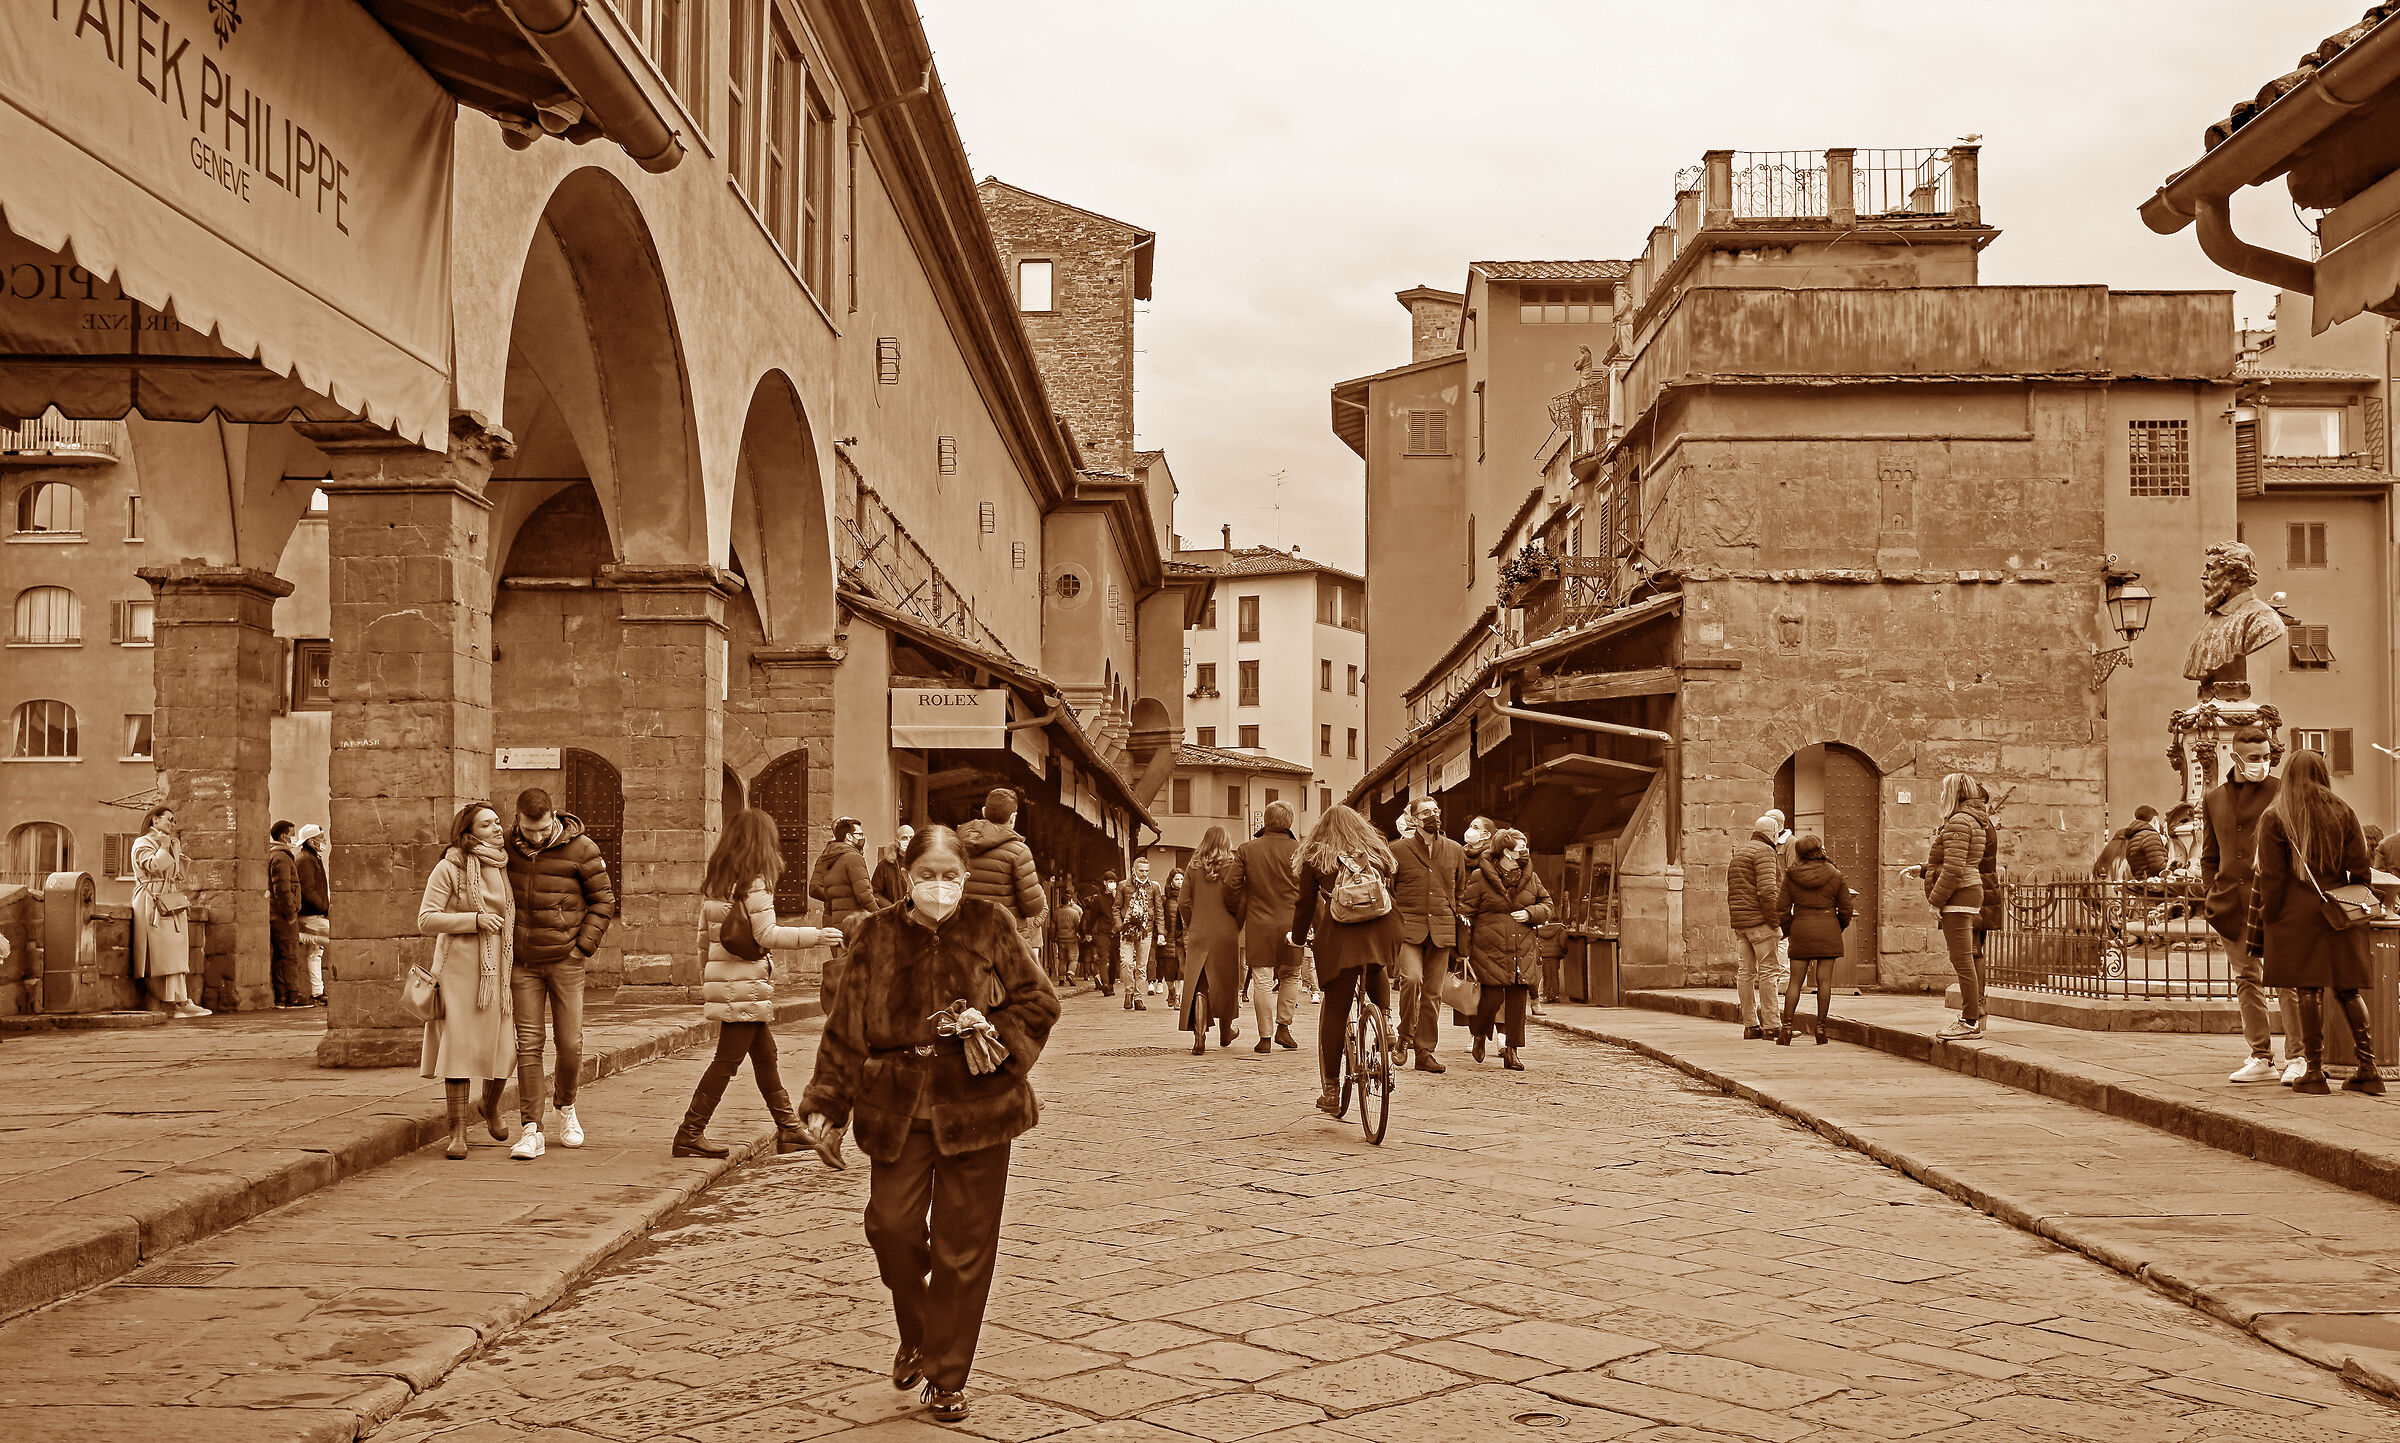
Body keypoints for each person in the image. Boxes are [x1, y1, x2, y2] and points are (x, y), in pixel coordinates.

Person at [799, 825, 1061, 1424]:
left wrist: (994, 1032)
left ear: (964, 877)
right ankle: (917, 1329)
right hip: (897, 1106)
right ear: (905, 874)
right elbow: (845, 1027)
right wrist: (827, 1102)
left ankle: (946, 1375)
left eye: (949, 876)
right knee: (891, 1229)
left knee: (963, 1248)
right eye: (927, 876)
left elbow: (1039, 1002)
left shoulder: (992, 923)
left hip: (978, 1106)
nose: (939, 887)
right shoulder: (875, 934)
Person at [677, 810, 843, 1157]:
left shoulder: (718, 882)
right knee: (726, 1062)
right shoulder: (755, 884)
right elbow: (767, 934)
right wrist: (817, 935)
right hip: (745, 986)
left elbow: (702, 942)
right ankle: (690, 1132)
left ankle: (789, 1129)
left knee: (766, 1056)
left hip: (729, 984)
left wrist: (708, 979)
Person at [2249, 750, 2382, 1097]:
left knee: (2308, 989)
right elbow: (2361, 870)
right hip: (2340, 912)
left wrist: (2270, 916)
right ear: (2323, 773)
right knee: (2347, 989)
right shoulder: (2344, 811)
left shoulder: (2277, 817)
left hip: (2296, 915)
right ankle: (2368, 1069)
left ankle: (2313, 1071)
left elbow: (2272, 879)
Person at [504, 788, 617, 1160]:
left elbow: (604, 899)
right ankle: (531, 1129)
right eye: (527, 829)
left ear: (554, 816)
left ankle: (565, 1106)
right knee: (529, 1045)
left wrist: (583, 946)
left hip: (566, 960)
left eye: (540, 829)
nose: (534, 837)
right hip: (523, 962)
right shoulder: (506, 846)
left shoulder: (582, 848)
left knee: (570, 1044)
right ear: (517, 817)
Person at [417, 804, 520, 1160]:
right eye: (486, 824)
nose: (496, 828)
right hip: (459, 972)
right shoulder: (451, 866)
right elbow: (426, 920)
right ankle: (457, 1131)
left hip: (500, 973)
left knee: (504, 1048)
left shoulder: (506, 865)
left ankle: (490, 1107)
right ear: (470, 831)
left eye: (497, 822)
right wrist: (474, 919)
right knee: (459, 1050)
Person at [1289, 805, 1401, 1116]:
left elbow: (1304, 904)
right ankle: (1387, 1021)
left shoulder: (1317, 857)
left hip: (1340, 936)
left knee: (1336, 1010)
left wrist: (1297, 938)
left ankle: (1331, 1090)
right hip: (1382, 927)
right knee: (1376, 962)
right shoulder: (1377, 851)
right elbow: (1393, 886)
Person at [2205, 728, 2287, 1084]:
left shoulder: (2282, 791)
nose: (2262, 764)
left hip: (2274, 901)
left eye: (2267, 756)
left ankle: (2298, 1057)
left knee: (2288, 980)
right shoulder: (2214, 799)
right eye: (2254, 758)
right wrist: (2212, 892)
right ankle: (2261, 1056)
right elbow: (2210, 855)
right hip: (2231, 905)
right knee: (2246, 979)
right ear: (2234, 757)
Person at [1388, 797, 1467, 1075]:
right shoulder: (1397, 849)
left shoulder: (1455, 850)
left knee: (1433, 993)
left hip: (1442, 929)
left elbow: (1460, 891)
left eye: (1435, 811)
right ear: (1413, 819)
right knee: (1411, 979)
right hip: (1409, 928)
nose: (1433, 816)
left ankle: (1425, 1052)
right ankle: (1404, 1035)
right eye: (1425, 812)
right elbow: (1390, 891)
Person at [1460, 828, 1550, 1070]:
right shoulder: (1480, 877)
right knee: (1492, 997)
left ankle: (1512, 1051)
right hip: (1491, 947)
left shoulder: (1530, 876)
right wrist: (1464, 947)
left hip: (1522, 945)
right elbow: (1466, 910)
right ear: (1507, 852)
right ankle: (1479, 1033)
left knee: (1518, 999)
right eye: (1521, 847)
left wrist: (1531, 913)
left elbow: (1547, 904)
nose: (1525, 851)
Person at [1924, 774, 1991, 1041]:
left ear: (1952, 793)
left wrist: (1935, 901)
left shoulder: (1958, 822)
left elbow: (1953, 869)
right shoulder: (1972, 821)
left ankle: (1969, 1021)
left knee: (1962, 961)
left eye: (1943, 791)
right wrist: (1923, 871)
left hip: (1959, 894)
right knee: (1965, 960)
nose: (1940, 796)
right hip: (1969, 891)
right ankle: (1970, 1018)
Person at [1236, 803, 1305, 1051]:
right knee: (1291, 975)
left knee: (1262, 980)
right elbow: (1310, 891)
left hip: (1259, 924)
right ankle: (1283, 1028)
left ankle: (1264, 1037)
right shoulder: (1300, 851)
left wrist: (1238, 914)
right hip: (1292, 923)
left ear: (1265, 821)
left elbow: (1233, 886)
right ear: (1290, 822)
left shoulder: (1247, 849)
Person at [1776, 833, 1853, 1045]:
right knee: (1824, 981)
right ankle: (1821, 1029)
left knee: (1795, 981)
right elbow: (1846, 908)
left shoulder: (1791, 875)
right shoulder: (1835, 874)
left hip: (1801, 928)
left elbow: (1781, 908)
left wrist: (1790, 928)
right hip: (1828, 928)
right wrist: (1838, 926)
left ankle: (1787, 1029)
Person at [130, 804, 206, 1017]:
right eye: (169, 819)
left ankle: (180, 999)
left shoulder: (169, 842)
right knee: (163, 952)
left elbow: (174, 873)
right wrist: (164, 848)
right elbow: (152, 867)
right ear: (155, 820)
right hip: (153, 900)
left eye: (173, 820)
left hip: (170, 899)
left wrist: (175, 853)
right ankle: (172, 1002)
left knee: (176, 950)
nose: (172, 824)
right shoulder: (142, 842)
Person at [958, 789, 1047, 967]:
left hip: (965, 936)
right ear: (1013, 817)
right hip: (1007, 940)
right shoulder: (1019, 851)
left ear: (984, 812)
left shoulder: (957, 845)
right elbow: (1032, 906)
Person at [1179, 829, 1245, 1055]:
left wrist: (1192, 923)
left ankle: (1199, 1035)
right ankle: (1226, 1031)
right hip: (1227, 931)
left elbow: (1183, 903)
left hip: (1199, 929)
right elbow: (1239, 898)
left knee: (1199, 981)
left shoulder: (1192, 867)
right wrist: (1237, 922)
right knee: (1226, 981)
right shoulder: (1233, 866)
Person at [1727, 811, 1790, 1040]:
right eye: (1777, 833)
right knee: (1769, 971)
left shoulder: (1741, 852)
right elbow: (1767, 890)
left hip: (1742, 923)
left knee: (1745, 973)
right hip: (1761, 922)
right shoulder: (1765, 852)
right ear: (1772, 833)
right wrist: (1776, 921)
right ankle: (1772, 1025)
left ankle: (1750, 1025)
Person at [811, 817, 877, 935]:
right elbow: (864, 894)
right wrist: (879, 916)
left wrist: (837, 898)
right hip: (852, 920)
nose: (862, 838)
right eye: (859, 834)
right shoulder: (852, 857)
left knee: (840, 952)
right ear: (848, 836)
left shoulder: (827, 856)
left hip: (833, 919)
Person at [1113, 856, 1164, 1009]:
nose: (1144, 874)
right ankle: (1128, 991)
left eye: (1147, 871)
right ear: (1134, 870)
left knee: (1141, 966)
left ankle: (1138, 997)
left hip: (1146, 930)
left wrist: (1161, 931)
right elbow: (1116, 908)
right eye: (1141, 870)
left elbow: (1159, 910)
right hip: (1127, 930)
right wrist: (1120, 925)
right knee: (1127, 962)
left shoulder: (1154, 887)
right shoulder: (1123, 885)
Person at [268, 819, 308, 1008]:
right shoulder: (281, 857)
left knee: (282, 955)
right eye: (292, 834)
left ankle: (283, 997)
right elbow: (282, 887)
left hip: (278, 913)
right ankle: (292, 996)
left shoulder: (279, 855)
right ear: (284, 836)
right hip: (283, 915)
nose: (293, 838)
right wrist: (291, 912)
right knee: (289, 955)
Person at [297, 824, 331, 1005]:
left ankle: (317, 992)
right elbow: (308, 890)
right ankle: (300, 937)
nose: (324, 841)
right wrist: (325, 908)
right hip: (311, 914)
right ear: (311, 841)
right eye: (321, 837)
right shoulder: (305, 860)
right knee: (331, 939)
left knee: (315, 954)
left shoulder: (310, 858)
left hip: (315, 913)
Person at [1155, 865, 1186, 1011]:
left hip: (1182, 939)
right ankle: (1172, 991)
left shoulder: (1188, 897)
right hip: (1167, 939)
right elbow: (1159, 917)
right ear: (1171, 881)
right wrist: (1161, 933)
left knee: (1181, 970)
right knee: (1168, 972)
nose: (1180, 881)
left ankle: (1178, 997)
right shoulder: (1164, 899)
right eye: (1177, 879)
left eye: (1182, 879)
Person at [1085, 878, 1119, 996]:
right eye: (1110, 881)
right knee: (1104, 958)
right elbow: (1093, 916)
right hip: (1103, 932)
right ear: (1105, 883)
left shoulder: (1118, 896)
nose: (1112, 884)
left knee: (1114, 960)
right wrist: (1088, 931)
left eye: (1114, 881)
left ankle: (1110, 984)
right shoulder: (1099, 899)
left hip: (1117, 932)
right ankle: (1106, 983)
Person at [872, 823, 915, 910]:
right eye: (904, 838)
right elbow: (875, 892)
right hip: (894, 917)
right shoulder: (884, 865)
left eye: (911, 837)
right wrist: (893, 909)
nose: (909, 840)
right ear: (897, 842)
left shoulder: (921, 863)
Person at [1049, 882, 1083, 987]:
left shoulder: (1056, 912)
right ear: (1069, 902)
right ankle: (1070, 973)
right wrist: (1081, 935)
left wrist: (1052, 938)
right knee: (1073, 958)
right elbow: (1078, 927)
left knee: (1062, 959)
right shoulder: (1075, 913)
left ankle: (1061, 979)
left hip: (1060, 939)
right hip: (1072, 939)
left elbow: (1053, 927)